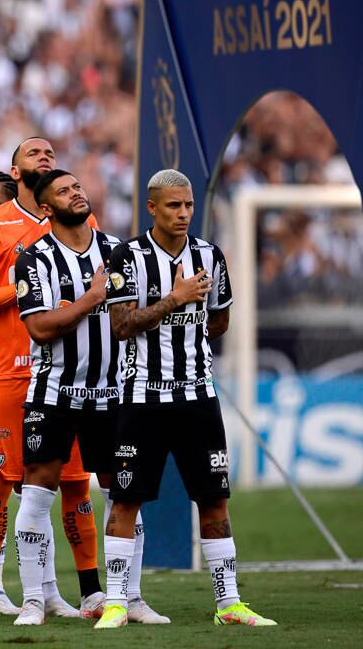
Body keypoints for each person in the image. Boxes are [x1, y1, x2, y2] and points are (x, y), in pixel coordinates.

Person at [96, 169, 274, 629]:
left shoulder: (209, 255)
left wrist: (187, 325)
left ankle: (229, 603)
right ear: (152, 208)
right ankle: (116, 601)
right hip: (142, 397)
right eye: (174, 206)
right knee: (126, 499)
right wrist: (174, 300)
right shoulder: (126, 256)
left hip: (198, 396)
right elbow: (120, 326)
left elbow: (220, 321)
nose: (184, 214)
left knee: (214, 499)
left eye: (189, 205)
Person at [0, 138, 96, 623]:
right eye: (34, 153)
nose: (46, 157)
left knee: (75, 484)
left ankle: (82, 592)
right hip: (10, 372)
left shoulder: (82, 222)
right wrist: (22, 288)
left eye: (51, 153)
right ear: (15, 171)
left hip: (67, 373)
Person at [9, 170, 136, 624]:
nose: (76, 193)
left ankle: (128, 598)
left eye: (78, 186)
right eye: (63, 191)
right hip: (54, 392)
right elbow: (41, 328)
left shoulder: (119, 251)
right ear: (46, 208)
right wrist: (91, 298)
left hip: (114, 390)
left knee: (123, 492)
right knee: (38, 491)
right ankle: (32, 599)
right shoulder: (32, 259)